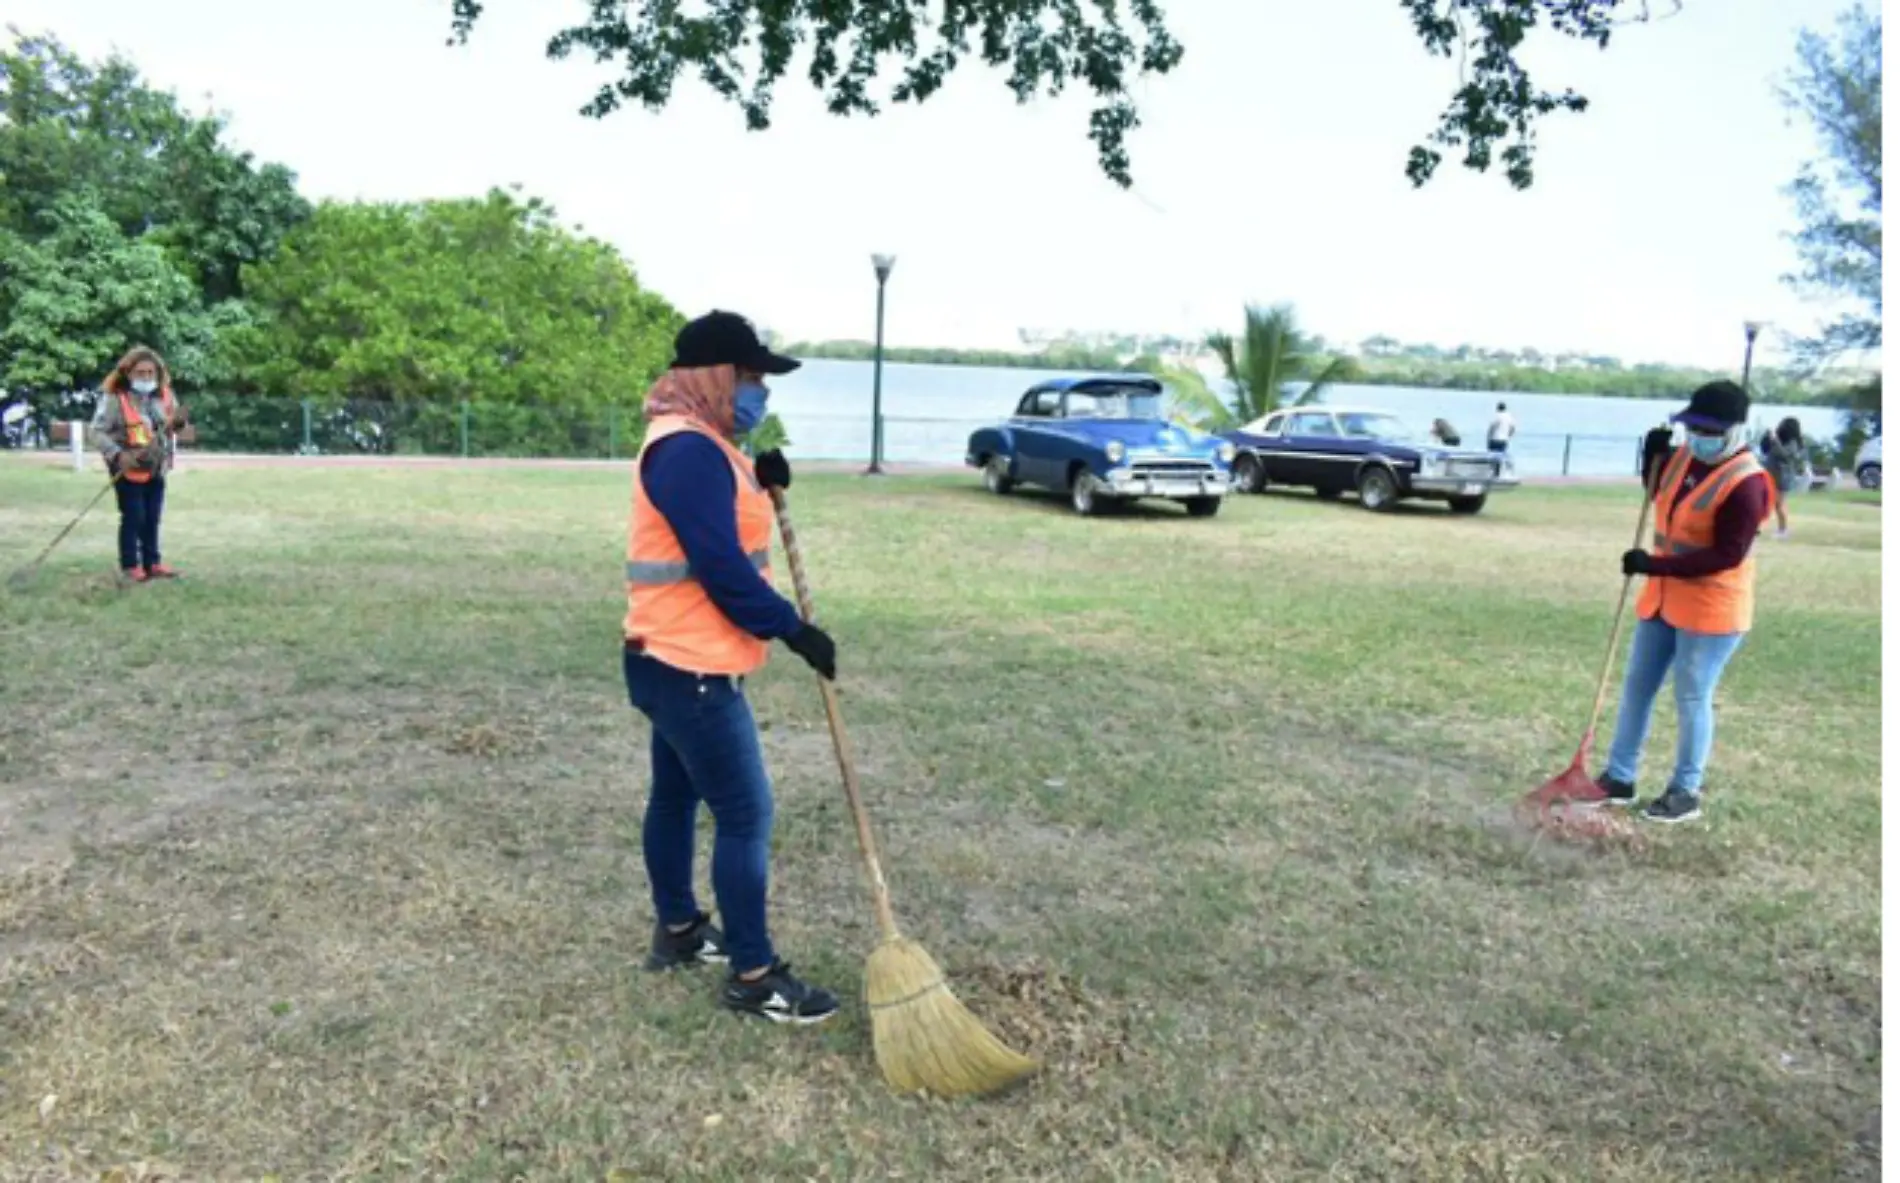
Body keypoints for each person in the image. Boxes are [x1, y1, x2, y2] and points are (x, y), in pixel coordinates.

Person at [622, 309, 842, 1024]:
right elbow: (719, 566)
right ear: (714, 378)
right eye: (750, 379)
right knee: (746, 812)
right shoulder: (685, 450)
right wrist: (793, 628)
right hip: (690, 668)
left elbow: (723, 518)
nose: (759, 394)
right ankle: (752, 973)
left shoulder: (705, 443)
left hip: (671, 658)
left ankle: (680, 930)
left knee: (678, 798)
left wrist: (761, 474)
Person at [1594, 380, 1773, 824]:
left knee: (1692, 696)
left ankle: (1685, 791)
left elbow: (1726, 554)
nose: (1699, 436)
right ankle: (1619, 778)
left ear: (1733, 430)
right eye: (1693, 427)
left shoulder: (1748, 483)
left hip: (1712, 608)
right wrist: (1648, 458)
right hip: (1663, 600)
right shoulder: (1681, 459)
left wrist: (1654, 566)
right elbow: (1661, 497)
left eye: (1708, 430)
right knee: (1637, 687)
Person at [89, 345, 188, 583]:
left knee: (153, 516)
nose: (146, 377)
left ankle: (152, 563)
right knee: (134, 516)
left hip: (155, 465)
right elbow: (96, 432)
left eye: (150, 373)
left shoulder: (164, 395)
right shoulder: (115, 398)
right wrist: (117, 454)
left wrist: (178, 423)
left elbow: (170, 425)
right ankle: (130, 566)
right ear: (128, 373)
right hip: (126, 466)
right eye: (140, 372)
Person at [1763, 416, 1806, 539]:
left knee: (1779, 504)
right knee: (1768, 502)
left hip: (1783, 477)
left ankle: (1783, 530)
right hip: (1773, 474)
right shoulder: (1781, 440)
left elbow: (1784, 455)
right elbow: (1766, 450)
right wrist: (1768, 439)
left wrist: (1775, 441)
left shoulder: (1793, 442)